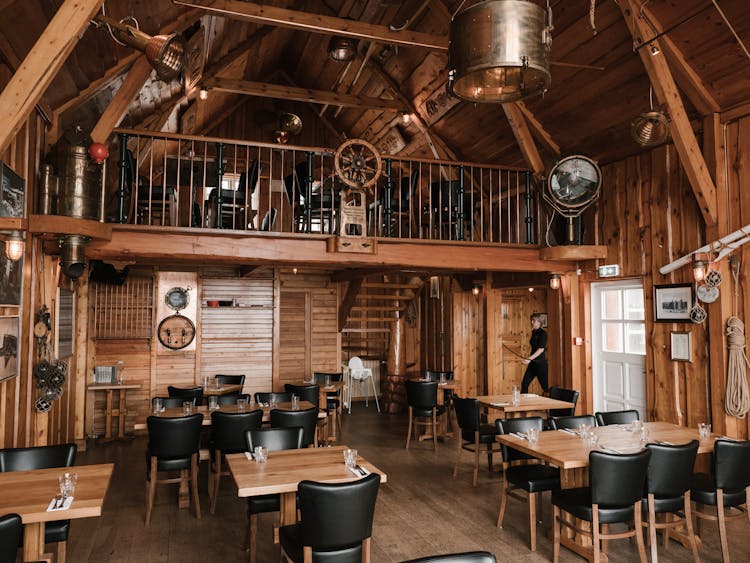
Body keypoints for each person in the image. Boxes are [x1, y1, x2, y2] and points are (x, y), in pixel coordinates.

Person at [521, 313, 548, 394]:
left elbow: (541, 349)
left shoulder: (543, 333)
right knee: (524, 384)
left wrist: (529, 359)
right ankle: (523, 405)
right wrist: (530, 359)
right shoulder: (534, 332)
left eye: (533, 320)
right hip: (533, 364)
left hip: (540, 364)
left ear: (539, 322)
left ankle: (552, 405)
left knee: (546, 387)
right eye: (531, 320)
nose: (531, 322)